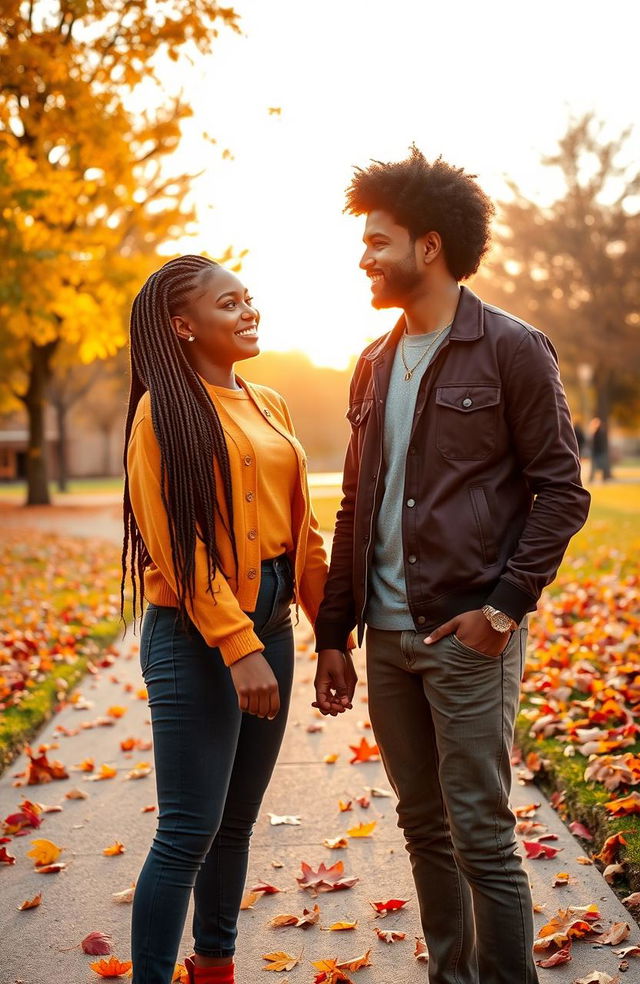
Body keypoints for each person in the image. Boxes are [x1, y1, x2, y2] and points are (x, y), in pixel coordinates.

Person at [313, 148, 591, 984]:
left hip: (469, 637)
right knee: (423, 827)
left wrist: (501, 610)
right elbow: (357, 504)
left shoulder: (511, 348)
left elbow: (561, 493)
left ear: (428, 247)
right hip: (388, 642)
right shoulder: (371, 359)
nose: (364, 256)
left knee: (481, 834)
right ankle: (451, 975)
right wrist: (334, 632)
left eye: (378, 241)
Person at [122, 255, 351, 984]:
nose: (249, 311)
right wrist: (237, 645)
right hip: (194, 637)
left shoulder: (270, 404)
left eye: (250, 299)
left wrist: (332, 634)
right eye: (230, 304)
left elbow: (304, 537)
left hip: (275, 624)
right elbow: (177, 549)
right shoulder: (161, 412)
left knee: (234, 826)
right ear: (183, 325)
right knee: (189, 828)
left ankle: (214, 969)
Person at [588, 416, 611, 480]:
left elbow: (599, 443)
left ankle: (601, 478)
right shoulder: (596, 432)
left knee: (600, 466)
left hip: (599, 452)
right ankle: (593, 478)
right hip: (597, 452)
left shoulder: (600, 432)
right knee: (595, 466)